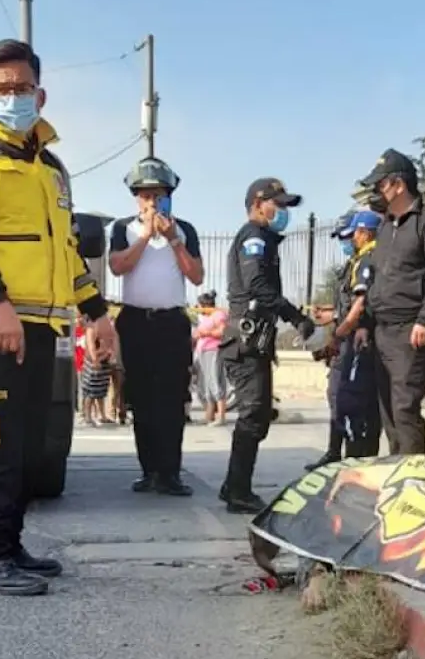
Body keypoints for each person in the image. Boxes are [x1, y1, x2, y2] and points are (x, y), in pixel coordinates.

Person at [0, 39, 116, 596]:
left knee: (25, 446)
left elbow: (66, 250)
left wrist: (97, 314)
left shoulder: (52, 169)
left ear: (39, 93)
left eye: (19, 88)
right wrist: (0, 306)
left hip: (42, 327)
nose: (10, 97)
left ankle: (10, 546)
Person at [108, 157, 203, 496]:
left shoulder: (185, 230)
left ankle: (170, 472)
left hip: (171, 322)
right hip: (136, 321)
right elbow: (118, 266)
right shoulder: (123, 228)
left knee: (172, 399)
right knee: (142, 400)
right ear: (136, 198)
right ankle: (149, 470)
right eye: (146, 196)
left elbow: (196, 275)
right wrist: (147, 236)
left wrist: (174, 240)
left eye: (159, 195)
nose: (152, 202)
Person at [220, 177, 315, 514]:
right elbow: (257, 285)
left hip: (254, 342)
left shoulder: (265, 240)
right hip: (244, 343)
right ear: (258, 205)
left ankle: (234, 485)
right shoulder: (254, 238)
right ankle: (238, 492)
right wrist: (296, 317)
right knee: (253, 415)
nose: (284, 211)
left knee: (258, 415)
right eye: (279, 204)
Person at [354, 149, 425, 456]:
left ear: (398, 185)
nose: (377, 192)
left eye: (381, 185)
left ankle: (413, 478)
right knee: (388, 409)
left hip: (410, 330)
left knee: (405, 407)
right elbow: (376, 282)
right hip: (382, 331)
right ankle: (397, 470)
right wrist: (364, 324)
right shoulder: (386, 227)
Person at [305, 209, 356, 471]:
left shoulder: (366, 263)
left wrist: (338, 323)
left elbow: (360, 305)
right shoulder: (350, 266)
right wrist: (331, 314)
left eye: (347, 236)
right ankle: (334, 452)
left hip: (354, 341)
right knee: (335, 396)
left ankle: (350, 456)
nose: (344, 242)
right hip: (342, 341)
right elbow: (346, 305)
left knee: (346, 400)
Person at [333, 209, 383, 459]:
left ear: (364, 233)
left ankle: (356, 460)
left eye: (355, 234)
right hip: (370, 337)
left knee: (353, 402)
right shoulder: (375, 255)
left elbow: (361, 302)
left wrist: (339, 333)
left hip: (362, 340)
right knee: (366, 406)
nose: (352, 239)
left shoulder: (368, 258)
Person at [193, 291, 228, 426]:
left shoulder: (219, 315)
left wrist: (206, 333)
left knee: (216, 381)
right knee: (206, 384)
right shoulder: (205, 318)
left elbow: (222, 332)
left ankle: (221, 416)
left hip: (214, 350)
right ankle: (209, 415)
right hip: (203, 351)